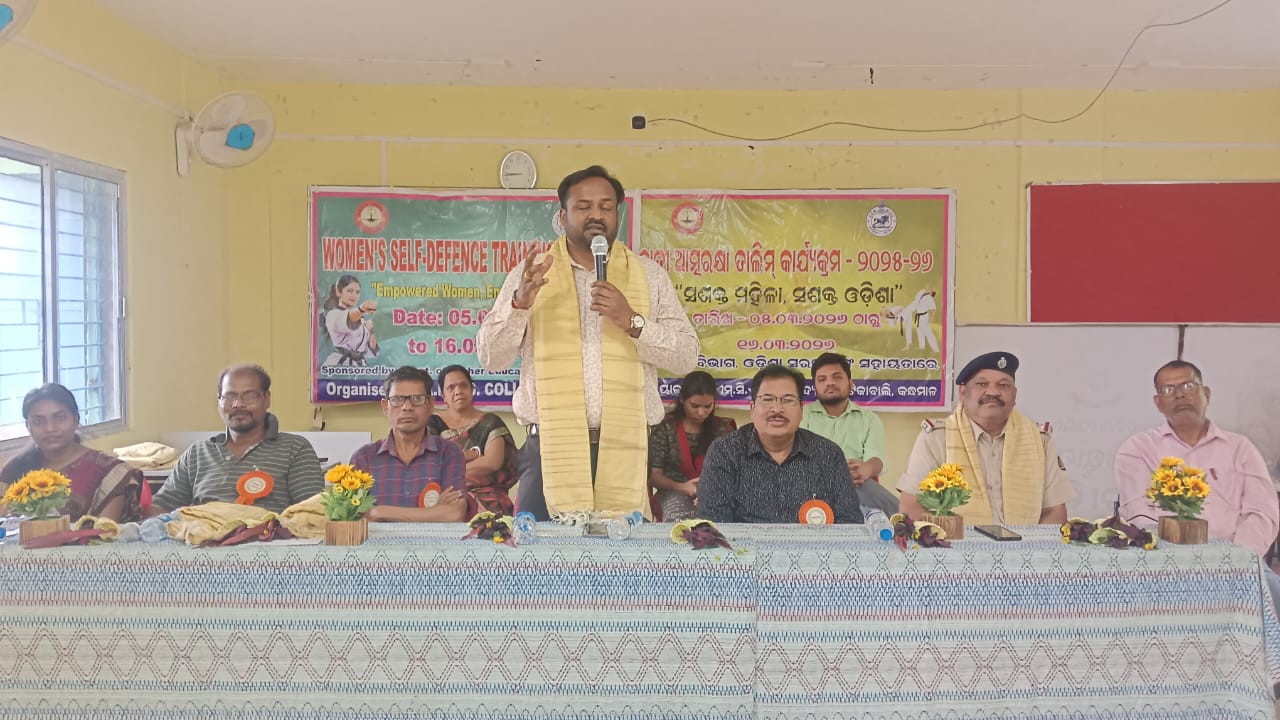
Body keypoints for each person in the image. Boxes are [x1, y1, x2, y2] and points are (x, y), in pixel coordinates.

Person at [476, 165, 699, 521]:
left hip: (627, 449)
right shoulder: (532, 275)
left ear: (617, 215)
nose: (596, 215)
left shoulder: (649, 276)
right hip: (549, 449)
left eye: (606, 206)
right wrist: (519, 306)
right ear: (563, 216)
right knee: (542, 555)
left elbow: (687, 357)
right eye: (583, 206)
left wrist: (633, 322)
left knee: (622, 553)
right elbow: (491, 358)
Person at [1115, 360, 1278, 556]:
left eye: (1188, 386)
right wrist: (1173, 557)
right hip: (1163, 559)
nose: (1180, 395)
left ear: (1206, 394)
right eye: (1168, 390)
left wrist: (1237, 558)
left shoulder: (1240, 448)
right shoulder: (1137, 449)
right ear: (1158, 403)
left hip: (1236, 558)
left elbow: (1262, 512)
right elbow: (1138, 515)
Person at [896, 351, 1075, 525]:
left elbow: (1054, 511)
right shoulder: (937, 438)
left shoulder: (1039, 440)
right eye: (982, 384)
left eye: (1003, 385)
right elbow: (911, 507)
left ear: (1014, 395)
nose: (993, 392)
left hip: (1026, 543)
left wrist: (1031, 544)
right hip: (956, 542)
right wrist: (960, 539)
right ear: (963, 393)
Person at [150, 364, 324, 515]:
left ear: (266, 399)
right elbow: (162, 505)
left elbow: (312, 514)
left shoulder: (295, 449)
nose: (238, 404)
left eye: (249, 395)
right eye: (229, 396)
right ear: (219, 402)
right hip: (204, 540)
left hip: (271, 541)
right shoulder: (198, 453)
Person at [698, 365, 862, 524]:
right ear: (752, 409)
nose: (777, 409)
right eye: (767, 399)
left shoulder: (828, 454)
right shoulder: (725, 452)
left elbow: (850, 521)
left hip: (816, 543)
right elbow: (713, 523)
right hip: (741, 543)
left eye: (788, 400)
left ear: (801, 410)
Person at [0, 383, 144, 522]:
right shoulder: (15, 469)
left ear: (76, 419)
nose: (50, 428)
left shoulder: (110, 472)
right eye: (38, 421)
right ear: (28, 426)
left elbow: (104, 532)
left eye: (60, 418)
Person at [350, 366, 475, 522]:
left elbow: (454, 514)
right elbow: (351, 517)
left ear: (430, 405)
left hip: (434, 540)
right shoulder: (364, 458)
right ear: (385, 407)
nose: (407, 407)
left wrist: (379, 512)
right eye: (397, 400)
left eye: (417, 399)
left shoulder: (449, 453)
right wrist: (433, 512)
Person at [799, 352, 898, 517]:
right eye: (822, 379)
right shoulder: (801, 415)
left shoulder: (869, 419)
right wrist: (836, 472)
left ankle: (910, 525)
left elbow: (878, 459)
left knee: (899, 514)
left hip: (856, 484)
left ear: (851, 383)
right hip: (811, 485)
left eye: (837, 377)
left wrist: (865, 469)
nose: (830, 383)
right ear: (815, 387)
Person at [647, 370, 737, 522]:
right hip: (674, 491)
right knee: (681, 522)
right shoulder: (665, 427)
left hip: (716, 492)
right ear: (683, 399)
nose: (701, 412)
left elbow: (733, 472)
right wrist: (683, 487)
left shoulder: (724, 429)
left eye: (707, 406)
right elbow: (654, 476)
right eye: (694, 406)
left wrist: (710, 491)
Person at [431, 364, 517, 515]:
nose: (458, 391)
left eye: (463, 385)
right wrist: (473, 455)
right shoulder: (432, 424)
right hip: (443, 496)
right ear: (443, 395)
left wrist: (451, 468)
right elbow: (431, 464)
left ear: (472, 389)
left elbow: (492, 463)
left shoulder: (490, 422)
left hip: (488, 498)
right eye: (451, 387)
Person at [321, 274, 378, 366]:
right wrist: (362, 308)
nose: (354, 295)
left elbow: (368, 351)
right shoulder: (333, 314)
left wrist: (372, 331)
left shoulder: (361, 319)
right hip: (339, 364)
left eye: (357, 292)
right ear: (339, 292)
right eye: (349, 291)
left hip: (359, 366)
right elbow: (349, 320)